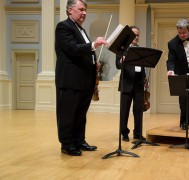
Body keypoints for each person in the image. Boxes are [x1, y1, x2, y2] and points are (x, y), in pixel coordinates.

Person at [55, 0, 107, 156]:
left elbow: (83, 53)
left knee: (80, 114)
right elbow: (72, 48)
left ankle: (79, 140)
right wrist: (93, 45)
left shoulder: (81, 29)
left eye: (86, 10)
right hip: (70, 80)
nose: (84, 13)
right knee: (67, 114)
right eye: (81, 9)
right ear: (70, 10)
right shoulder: (64, 27)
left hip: (84, 79)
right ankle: (67, 144)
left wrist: (94, 63)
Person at [116, 26, 146, 142]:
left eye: (138, 35)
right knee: (124, 111)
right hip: (126, 82)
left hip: (138, 83)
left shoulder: (140, 49)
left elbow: (142, 67)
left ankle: (138, 134)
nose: (136, 37)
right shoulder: (122, 48)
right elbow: (117, 65)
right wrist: (121, 61)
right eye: (134, 34)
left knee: (138, 110)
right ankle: (124, 133)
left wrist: (144, 79)